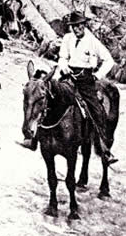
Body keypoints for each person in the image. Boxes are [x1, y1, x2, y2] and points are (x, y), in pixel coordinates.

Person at [26, 11, 117, 164]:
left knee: (96, 110)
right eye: (73, 26)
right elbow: (62, 57)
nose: (76, 29)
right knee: (47, 96)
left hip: (86, 80)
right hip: (68, 76)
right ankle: (33, 138)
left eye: (79, 26)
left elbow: (109, 60)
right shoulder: (68, 38)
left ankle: (104, 149)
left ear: (84, 25)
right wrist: (64, 66)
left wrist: (97, 75)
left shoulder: (92, 41)